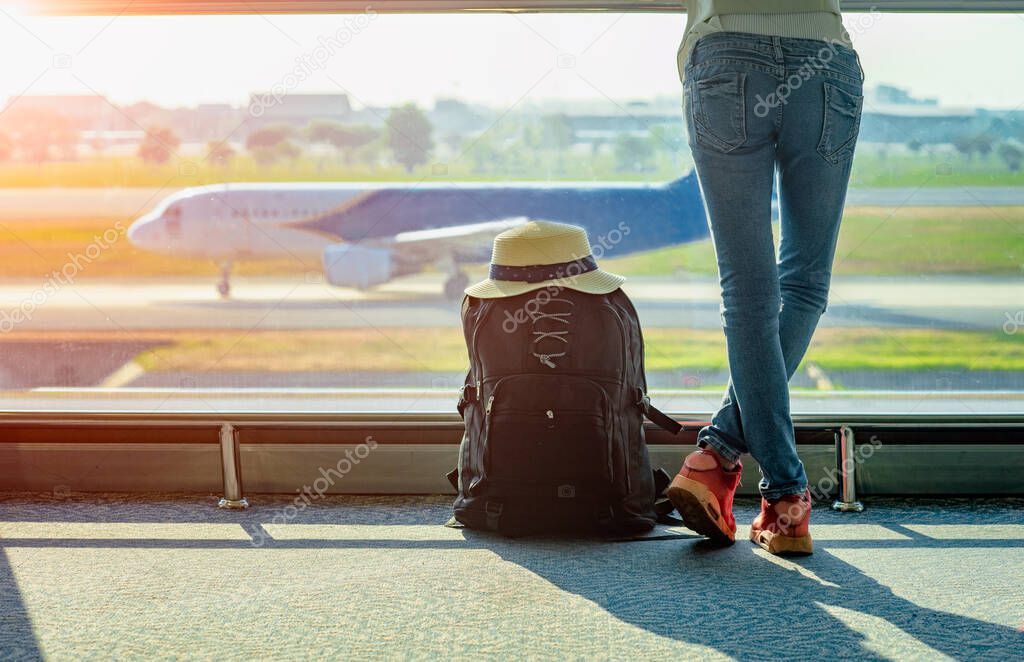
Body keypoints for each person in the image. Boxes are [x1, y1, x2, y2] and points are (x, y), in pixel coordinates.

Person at [665, 0, 865, 555]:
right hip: (824, 60)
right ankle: (762, 489)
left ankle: (742, 467)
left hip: (727, 55)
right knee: (803, 282)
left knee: (747, 290)